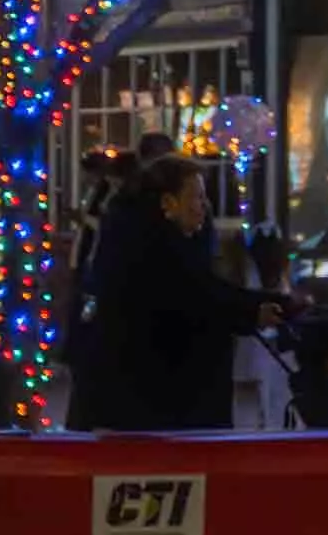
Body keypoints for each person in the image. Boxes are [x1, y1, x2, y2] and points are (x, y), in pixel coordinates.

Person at [63, 152, 257, 433]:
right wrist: (250, 312)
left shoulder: (162, 240)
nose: (203, 207)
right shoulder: (152, 254)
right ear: (168, 203)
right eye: (197, 197)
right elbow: (198, 299)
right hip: (148, 418)